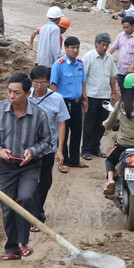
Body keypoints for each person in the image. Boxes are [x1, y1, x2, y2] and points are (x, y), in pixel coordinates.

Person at [0, 72, 55, 260]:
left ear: (28, 93)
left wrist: (33, 151)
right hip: (7, 167)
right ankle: (12, 249)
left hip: (30, 166)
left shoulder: (39, 115)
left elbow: (47, 141)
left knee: (25, 198)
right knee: (7, 205)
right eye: (9, 91)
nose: (11, 96)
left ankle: (23, 241)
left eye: (16, 92)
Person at [27, 63, 69, 217]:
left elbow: (61, 123)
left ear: (49, 82)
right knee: (30, 180)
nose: (39, 86)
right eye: (36, 83)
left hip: (48, 148)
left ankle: (37, 209)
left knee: (45, 179)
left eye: (43, 83)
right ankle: (36, 212)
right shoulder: (25, 96)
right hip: (28, 147)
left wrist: (60, 149)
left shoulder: (57, 99)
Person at [80, 32, 120, 160]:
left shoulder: (109, 58)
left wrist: (113, 92)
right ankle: (86, 149)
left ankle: (95, 147)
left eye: (107, 45)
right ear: (96, 43)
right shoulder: (89, 57)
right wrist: (84, 97)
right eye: (103, 44)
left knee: (102, 124)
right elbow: (83, 78)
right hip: (91, 96)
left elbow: (112, 76)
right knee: (89, 124)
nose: (105, 47)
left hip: (104, 96)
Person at [50, 36, 87, 170]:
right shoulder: (58, 65)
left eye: (77, 47)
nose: (75, 50)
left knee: (77, 132)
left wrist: (85, 98)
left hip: (77, 103)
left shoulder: (80, 64)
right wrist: (56, 103)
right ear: (65, 48)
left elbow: (83, 82)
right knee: (63, 132)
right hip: (63, 103)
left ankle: (75, 160)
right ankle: (63, 161)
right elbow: (53, 84)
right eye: (72, 48)